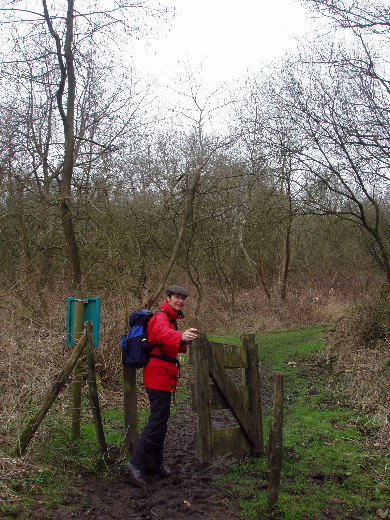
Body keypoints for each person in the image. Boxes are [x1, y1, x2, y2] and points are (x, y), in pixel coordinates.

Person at [125, 285, 197, 486]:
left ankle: (154, 463)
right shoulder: (161, 318)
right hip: (157, 377)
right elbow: (161, 335)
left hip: (164, 377)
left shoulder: (171, 321)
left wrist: (184, 339)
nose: (180, 301)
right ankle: (136, 465)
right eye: (177, 297)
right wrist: (180, 336)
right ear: (168, 298)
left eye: (183, 298)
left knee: (161, 422)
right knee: (157, 421)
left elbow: (166, 343)